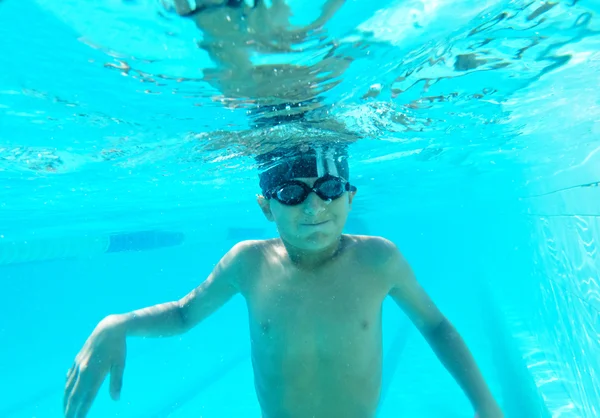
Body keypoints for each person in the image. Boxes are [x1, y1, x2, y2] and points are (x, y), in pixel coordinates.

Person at [63, 142, 504, 418]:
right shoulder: (247, 263)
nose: (314, 209)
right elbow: (182, 314)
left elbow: (435, 325)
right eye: (292, 194)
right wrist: (117, 324)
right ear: (266, 207)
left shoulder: (377, 259)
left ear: (349, 197)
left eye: (329, 189)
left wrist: (484, 404)